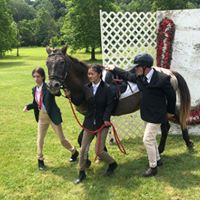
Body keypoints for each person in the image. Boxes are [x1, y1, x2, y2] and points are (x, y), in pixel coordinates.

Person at [106, 53, 176, 177]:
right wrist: (114, 68)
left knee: (147, 139)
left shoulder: (162, 79)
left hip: (158, 114)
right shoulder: (140, 78)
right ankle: (158, 159)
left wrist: (170, 112)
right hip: (146, 114)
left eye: (137, 66)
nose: (135, 69)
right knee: (151, 138)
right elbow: (127, 75)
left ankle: (153, 167)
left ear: (145, 67)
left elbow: (171, 97)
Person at [64, 64, 117, 184]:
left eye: (92, 74)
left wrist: (106, 118)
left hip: (102, 124)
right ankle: (81, 173)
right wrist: (70, 96)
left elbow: (110, 105)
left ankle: (113, 164)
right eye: (88, 74)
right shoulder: (86, 87)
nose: (90, 76)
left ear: (99, 74)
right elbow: (79, 101)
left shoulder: (108, 88)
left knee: (99, 151)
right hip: (88, 123)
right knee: (83, 150)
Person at [23, 67, 79, 170]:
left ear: (43, 77)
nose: (36, 79)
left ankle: (74, 151)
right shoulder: (34, 89)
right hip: (42, 117)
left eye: (38, 76)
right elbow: (36, 103)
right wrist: (28, 106)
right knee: (40, 139)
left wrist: (60, 90)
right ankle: (40, 160)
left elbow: (57, 93)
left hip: (53, 115)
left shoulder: (48, 86)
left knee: (62, 139)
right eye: (34, 76)